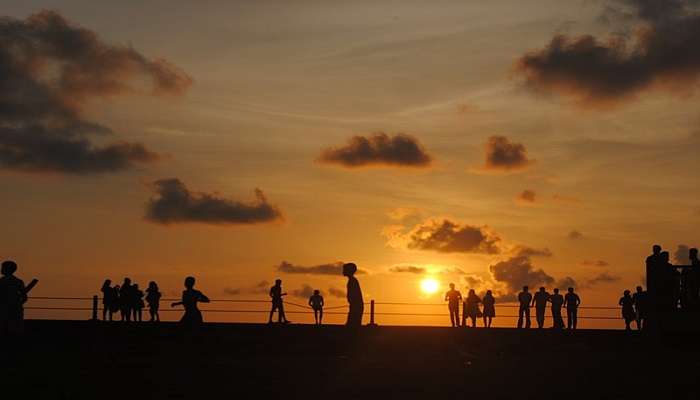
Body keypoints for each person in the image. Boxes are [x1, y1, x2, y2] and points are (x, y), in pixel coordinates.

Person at [0, 260, 27, 336]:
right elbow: (24, 297)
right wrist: (17, 305)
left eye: (2, 267)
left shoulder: (1, 282)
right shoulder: (19, 281)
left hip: (4, 310)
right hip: (16, 309)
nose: (1, 269)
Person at [343, 263, 364, 327]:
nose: (343, 271)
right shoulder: (352, 280)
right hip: (355, 306)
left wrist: (352, 301)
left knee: (352, 325)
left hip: (356, 306)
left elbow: (354, 295)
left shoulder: (352, 281)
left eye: (345, 269)